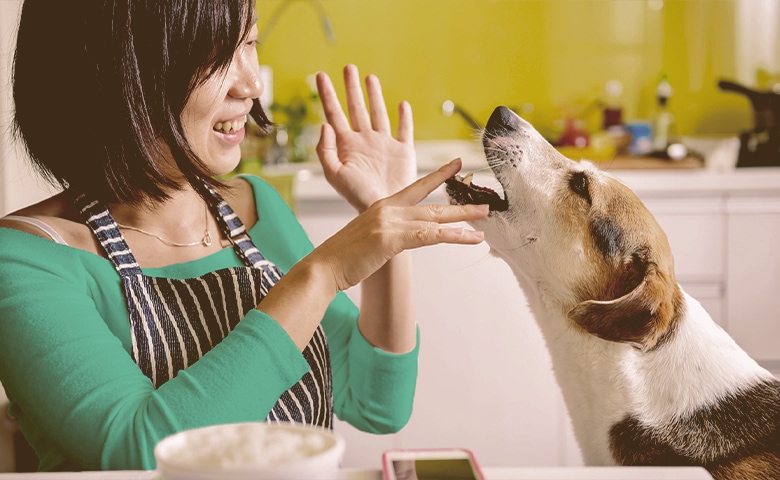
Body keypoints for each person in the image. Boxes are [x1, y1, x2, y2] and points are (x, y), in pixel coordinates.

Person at [0, 0, 488, 472]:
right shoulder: (25, 260)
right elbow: (144, 453)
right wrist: (321, 275)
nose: (253, 83)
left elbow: (377, 402)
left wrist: (386, 219)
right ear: (119, 70)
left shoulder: (255, 207)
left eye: (249, 41)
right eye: (214, 57)